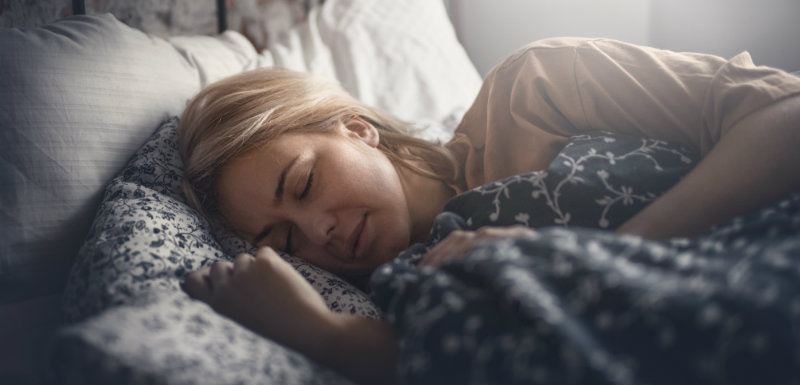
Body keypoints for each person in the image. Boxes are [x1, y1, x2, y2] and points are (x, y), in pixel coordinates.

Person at [179, 38, 800, 383]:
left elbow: (785, 116)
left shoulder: (536, 86)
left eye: (306, 183)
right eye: (287, 243)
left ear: (356, 130)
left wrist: (597, 253)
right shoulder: (410, 287)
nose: (321, 235)